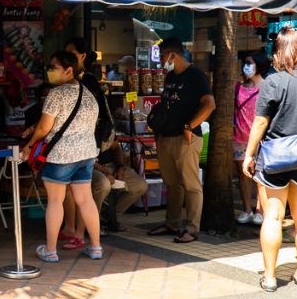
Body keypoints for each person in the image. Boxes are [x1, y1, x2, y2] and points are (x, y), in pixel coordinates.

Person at [243, 26, 297, 291]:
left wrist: (248, 153)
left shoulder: (273, 82)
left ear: (277, 53)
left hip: (273, 158)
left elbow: (260, 122)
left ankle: (270, 277)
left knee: (273, 216)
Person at [22, 51, 102, 262]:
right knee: (85, 199)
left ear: (69, 70)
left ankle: (50, 250)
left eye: (54, 67)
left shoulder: (56, 94)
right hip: (86, 154)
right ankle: (96, 247)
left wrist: (29, 145)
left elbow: (43, 128)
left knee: (55, 200)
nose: (50, 71)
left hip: (61, 155)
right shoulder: (89, 95)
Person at [147, 37, 215, 243]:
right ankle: (172, 222)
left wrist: (190, 126)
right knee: (172, 183)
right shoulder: (170, 77)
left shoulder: (195, 75)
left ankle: (193, 228)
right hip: (165, 136)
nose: (160, 62)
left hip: (186, 138)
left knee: (191, 184)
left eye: (162, 57)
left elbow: (209, 104)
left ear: (173, 55)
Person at [64, 37, 115, 242]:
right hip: (83, 146)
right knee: (76, 190)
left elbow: (91, 117)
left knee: (79, 190)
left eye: (71, 53)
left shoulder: (86, 82)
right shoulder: (79, 80)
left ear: (82, 56)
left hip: (84, 145)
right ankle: (80, 234)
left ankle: (79, 232)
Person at [234, 53, 268, 225]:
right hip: (239, 138)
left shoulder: (267, 87)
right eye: (245, 63)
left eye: (250, 64)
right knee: (243, 175)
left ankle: (260, 211)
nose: (247, 67)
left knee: (260, 175)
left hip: (261, 139)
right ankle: (247, 209)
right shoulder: (237, 87)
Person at [91, 139, 149, 230]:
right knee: (103, 184)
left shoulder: (107, 126)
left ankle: (109, 216)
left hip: (111, 165)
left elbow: (116, 147)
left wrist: (120, 166)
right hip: (91, 167)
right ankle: (92, 221)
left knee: (140, 185)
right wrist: (103, 171)